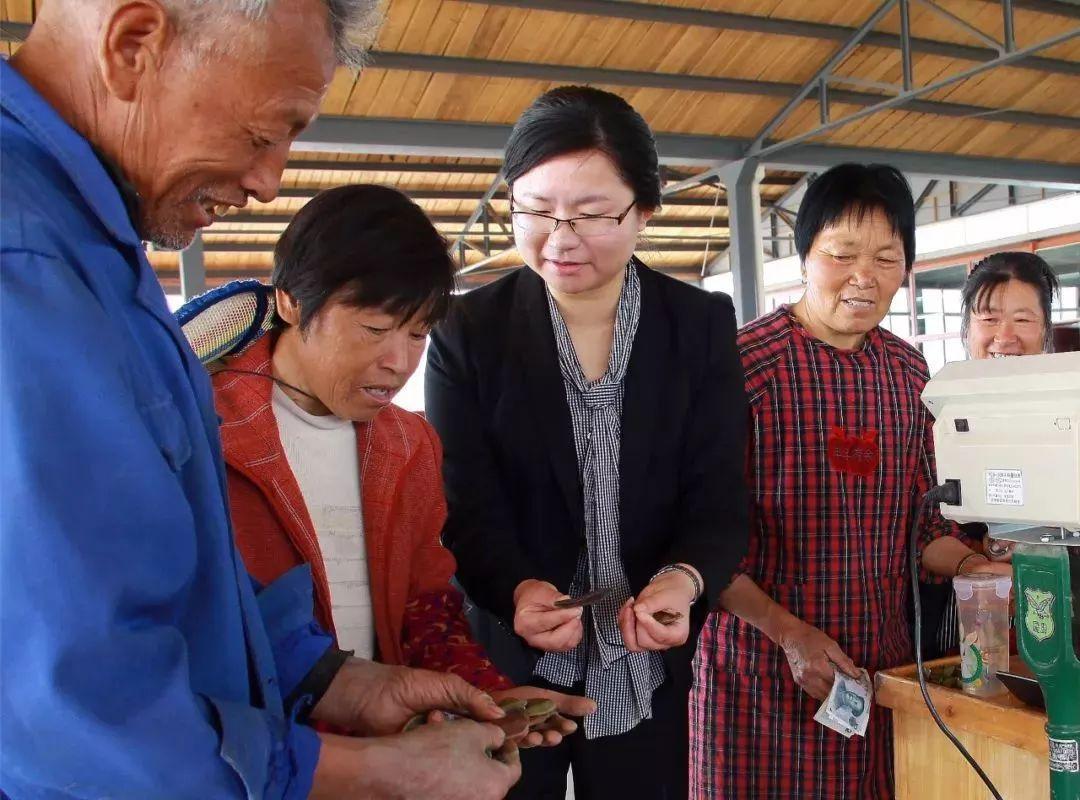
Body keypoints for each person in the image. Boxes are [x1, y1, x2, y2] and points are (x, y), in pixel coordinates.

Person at [0, 2, 520, 798]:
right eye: (261, 134)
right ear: (134, 44)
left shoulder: (93, 246)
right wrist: (373, 773)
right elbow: (76, 707)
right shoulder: (29, 263)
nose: (268, 181)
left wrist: (337, 680)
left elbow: (184, 580)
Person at [425, 85, 750, 799]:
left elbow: (721, 492)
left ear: (645, 212)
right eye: (536, 211)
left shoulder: (696, 325)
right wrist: (516, 588)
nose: (561, 237)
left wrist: (686, 579)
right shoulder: (466, 334)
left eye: (593, 214)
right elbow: (464, 505)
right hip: (509, 673)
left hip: (647, 668)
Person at [208, 184, 594, 739]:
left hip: (383, 755)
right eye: (373, 329)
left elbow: (425, 608)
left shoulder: (409, 444)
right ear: (291, 301)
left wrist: (482, 693)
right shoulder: (198, 431)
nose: (398, 362)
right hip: (248, 754)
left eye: (418, 335)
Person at [690, 163, 1012, 799]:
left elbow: (922, 529)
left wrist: (975, 568)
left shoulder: (905, 371)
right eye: (842, 253)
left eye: (886, 258)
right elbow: (699, 543)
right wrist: (789, 633)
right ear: (805, 255)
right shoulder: (743, 367)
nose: (864, 277)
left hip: (880, 675)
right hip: (757, 679)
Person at [918, 251, 1061, 658]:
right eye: (989, 319)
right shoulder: (938, 415)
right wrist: (978, 568)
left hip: (1068, 609)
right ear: (966, 330)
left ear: (1045, 329)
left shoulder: (1071, 407)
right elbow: (927, 534)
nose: (1005, 336)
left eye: (1023, 319)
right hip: (977, 616)